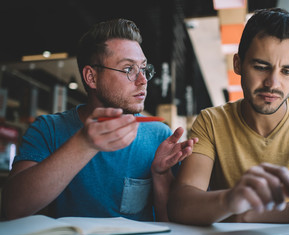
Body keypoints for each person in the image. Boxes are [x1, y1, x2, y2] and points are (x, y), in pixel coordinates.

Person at [1, 18, 198, 221]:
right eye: (128, 69)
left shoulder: (160, 136)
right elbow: (14, 208)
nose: (143, 80)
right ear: (91, 77)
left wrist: (161, 174)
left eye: (144, 68)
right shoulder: (48, 129)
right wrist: (84, 144)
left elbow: (176, 226)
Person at [168, 8, 289, 226]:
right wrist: (229, 199)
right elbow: (180, 205)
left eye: (287, 71)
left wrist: (248, 214)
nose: (273, 84)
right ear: (238, 64)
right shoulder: (211, 122)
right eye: (260, 67)